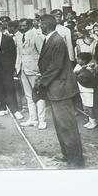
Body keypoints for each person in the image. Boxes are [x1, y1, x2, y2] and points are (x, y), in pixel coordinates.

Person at [35, 14, 84, 168]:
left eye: (41, 24)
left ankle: (76, 161)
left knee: (66, 126)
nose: (39, 26)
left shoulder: (56, 40)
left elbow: (55, 67)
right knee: (61, 125)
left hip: (60, 89)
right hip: (56, 88)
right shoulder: (51, 39)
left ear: (46, 25)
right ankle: (68, 155)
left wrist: (41, 82)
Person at [0, 20, 23, 119]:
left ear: (1, 27)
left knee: (10, 88)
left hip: (7, 68)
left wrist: (12, 67)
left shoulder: (8, 39)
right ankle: (2, 108)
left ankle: (15, 110)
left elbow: (13, 54)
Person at [15, 18, 47, 129]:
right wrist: (17, 67)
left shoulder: (36, 36)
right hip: (23, 69)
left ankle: (42, 120)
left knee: (38, 94)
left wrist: (40, 70)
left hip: (34, 69)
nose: (22, 27)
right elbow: (19, 53)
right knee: (28, 96)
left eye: (24, 25)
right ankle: (33, 119)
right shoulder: (18, 36)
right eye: (20, 25)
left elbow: (42, 53)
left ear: (29, 25)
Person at [74, 52, 97, 130]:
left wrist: (84, 68)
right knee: (86, 106)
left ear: (84, 61)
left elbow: (84, 77)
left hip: (88, 90)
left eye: (79, 59)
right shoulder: (80, 66)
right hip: (82, 90)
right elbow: (75, 72)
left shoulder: (90, 67)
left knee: (90, 107)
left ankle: (93, 121)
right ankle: (90, 120)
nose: (77, 60)